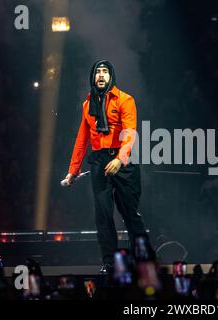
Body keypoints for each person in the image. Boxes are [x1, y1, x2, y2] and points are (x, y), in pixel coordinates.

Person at [64, 60, 152, 273]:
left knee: (130, 214)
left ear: (111, 76)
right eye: (97, 72)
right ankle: (111, 264)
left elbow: (130, 133)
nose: (101, 76)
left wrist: (120, 159)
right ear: (93, 77)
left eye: (104, 72)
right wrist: (73, 171)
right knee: (103, 216)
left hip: (123, 161)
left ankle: (143, 262)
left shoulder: (125, 99)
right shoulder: (88, 105)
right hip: (99, 161)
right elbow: (81, 139)